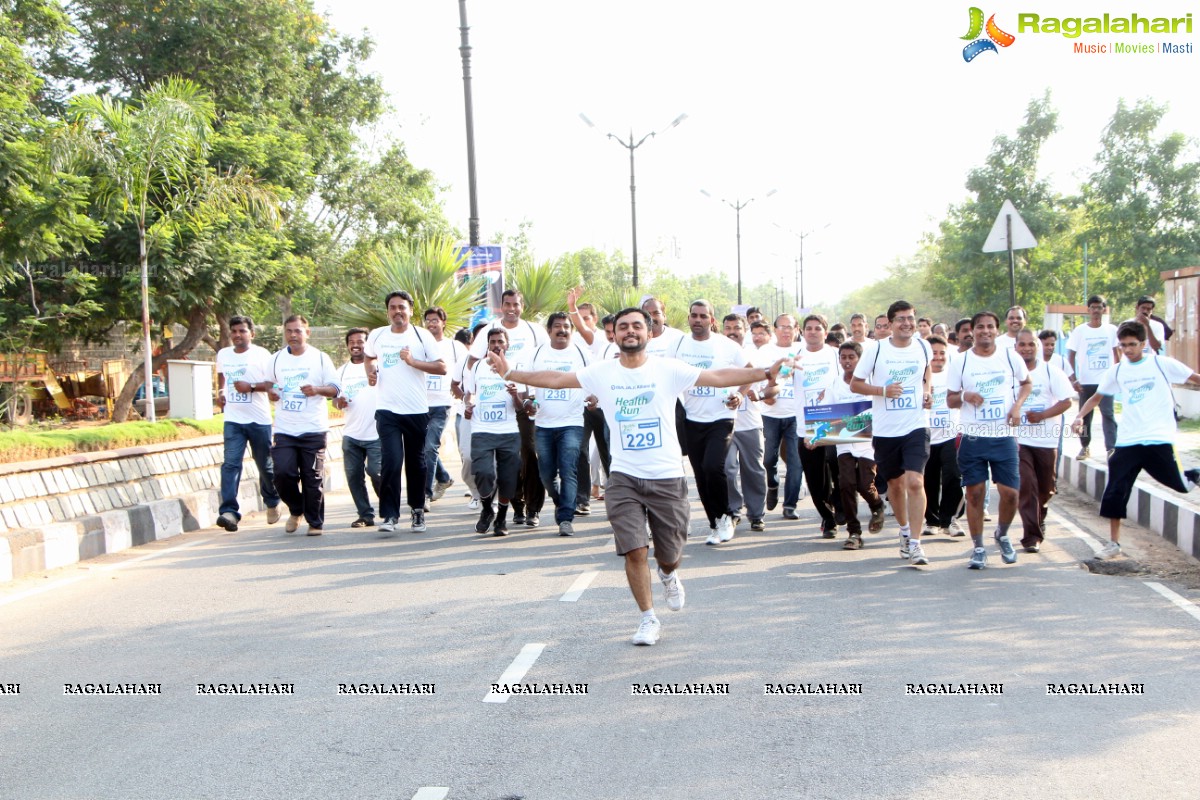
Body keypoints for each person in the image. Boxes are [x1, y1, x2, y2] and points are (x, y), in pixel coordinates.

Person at [487, 307, 786, 646]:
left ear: (648, 332)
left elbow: (717, 377)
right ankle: (648, 617)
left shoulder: (668, 369)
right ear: (614, 334)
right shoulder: (601, 372)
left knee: (669, 554)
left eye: (637, 326)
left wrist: (763, 372)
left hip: (667, 476)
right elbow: (557, 380)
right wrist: (510, 371)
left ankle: (669, 574)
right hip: (625, 477)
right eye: (624, 326)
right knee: (634, 551)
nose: (630, 331)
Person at [1072, 321, 1200, 559]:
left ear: (1143, 344)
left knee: (1181, 486)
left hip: (1159, 438)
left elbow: (1194, 378)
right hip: (1128, 441)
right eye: (1123, 345)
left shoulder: (1162, 364)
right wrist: (1079, 416)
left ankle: (1196, 474)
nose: (1128, 350)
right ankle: (1113, 544)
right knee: (1115, 490)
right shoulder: (1117, 371)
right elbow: (1096, 398)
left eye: (1132, 345)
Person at [947, 311, 1032, 569]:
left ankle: (1002, 534)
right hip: (973, 437)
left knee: (1010, 494)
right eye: (980, 327)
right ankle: (979, 547)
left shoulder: (1009, 356)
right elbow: (950, 398)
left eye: (990, 327)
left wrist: (1017, 406)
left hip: (1003, 436)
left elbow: (1026, 383)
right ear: (972, 331)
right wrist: (965, 396)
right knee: (975, 494)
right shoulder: (961, 362)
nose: (985, 331)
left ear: (997, 330)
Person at [850, 301, 933, 564]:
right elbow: (856, 384)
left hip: (916, 425)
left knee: (915, 482)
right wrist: (882, 391)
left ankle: (917, 544)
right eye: (901, 319)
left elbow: (927, 370)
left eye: (910, 318)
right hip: (886, 430)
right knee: (896, 486)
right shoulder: (876, 350)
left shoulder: (923, 346)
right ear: (891, 323)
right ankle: (905, 531)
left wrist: (927, 389)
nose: (907, 323)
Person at [365, 291, 446, 534]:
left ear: (410, 310)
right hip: (387, 409)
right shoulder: (377, 335)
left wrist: (413, 362)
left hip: (416, 410)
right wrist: (371, 372)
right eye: (392, 307)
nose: (397, 311)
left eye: (402, 307)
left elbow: (441, 367)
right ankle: (389, 515)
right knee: (390, 462)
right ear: (387, 311)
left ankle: (418, 510)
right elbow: (369, 357)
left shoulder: (422, 336)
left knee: (416, 463)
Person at [468, 290, 549, 528]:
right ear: (501, 306)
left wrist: (531, 395)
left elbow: (545, 358)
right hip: (493, 407)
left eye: (516, 304)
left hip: (526, 397)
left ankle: (533, 508)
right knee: (509, 463)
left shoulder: (534, 330)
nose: (511, 308)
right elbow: (473, 360)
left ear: (522, 306)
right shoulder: (488, 329)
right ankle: (514, 507)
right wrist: (471, 399)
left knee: (530, 455)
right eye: (507, 304)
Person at [674, 300, 751, 544]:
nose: (698, 320)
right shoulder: (679, 345)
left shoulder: (726, 346)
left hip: (722, 416)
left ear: (712, 320)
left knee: (713, 466)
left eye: (703, 316)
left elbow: (750, 371)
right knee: (700, 474)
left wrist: (739, 394)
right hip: (692, 417)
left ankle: (727, 517)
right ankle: (715, 523)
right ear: (689, 318)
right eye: (694, 316)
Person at [256, 315, 339, 535]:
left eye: (298, 331)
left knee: (313, 478)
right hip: (285, 429)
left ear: (307, 333)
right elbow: (268, 381)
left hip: (313, 428)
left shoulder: (320, 358)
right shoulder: (276, 359)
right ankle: (296, 509)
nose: (293, 335)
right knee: (282, 474)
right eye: (289, 331)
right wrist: (271, 391)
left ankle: (315, 522)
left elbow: (335, 389)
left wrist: (317, 390)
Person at [527, 312, 592, 536]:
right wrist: (528, 400)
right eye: (557, 326)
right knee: (546, 474)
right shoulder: (537, 353)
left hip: (572, 423)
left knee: (568, 470)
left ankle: (566, 517)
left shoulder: (582, 354)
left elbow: (594, 379)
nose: (562, 330)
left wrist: (594, 397)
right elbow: (527, 381)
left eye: (566, 326)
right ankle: (559, 501)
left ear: (571, 330)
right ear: (549, 330)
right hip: (543, 424)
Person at [215, 316, 281, 532]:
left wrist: (250, 387)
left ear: (251, 334)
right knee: (231, 464)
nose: (237, 335)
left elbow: (273, 385)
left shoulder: (262, 355)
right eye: (233, 331)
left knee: (265, 465)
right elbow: (222, 377)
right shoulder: (223, 354)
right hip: (233, 420)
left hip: (259, 420)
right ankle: (229, 512)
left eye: (242, 331)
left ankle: (272, 501)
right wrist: (221, 393)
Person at [1015, 328, 1073, 553]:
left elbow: (1066, 401)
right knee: (1027, 484)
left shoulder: (1051, 372)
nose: (1027, 348)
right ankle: (1031, 537)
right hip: (1020, 440)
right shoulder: (1010, 374)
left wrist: (1042, 415)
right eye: (1023, 344)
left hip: (1047, 441)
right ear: (1016, 347)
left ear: (1037, 347)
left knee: (1045, 489)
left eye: (1031, 344)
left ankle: (1040, 516)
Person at [463, 328, 526, 536]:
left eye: (500, 341)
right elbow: (469, 395)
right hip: (482, 430)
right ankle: (488, 508)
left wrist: (516, 395)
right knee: (483, 472)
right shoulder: (477, 366)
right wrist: (469, 405)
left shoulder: (515, 368)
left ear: (507, 345)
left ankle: (501, 518)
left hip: (508, 431)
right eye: (492, 342)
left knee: (508, 478)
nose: (496, 345)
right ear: (488, 345)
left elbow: (520, 407)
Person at [831, 341, 884, 549]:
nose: (847, 361)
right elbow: (826, 413)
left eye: (851, 357)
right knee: (846, 484)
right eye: (843, 357)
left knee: (864, 484)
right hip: (844, 442)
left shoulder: (870, 382)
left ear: (860, 360)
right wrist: (813, 437)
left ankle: (877, 504)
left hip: (868, 443)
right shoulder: (835, 384)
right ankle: (854, 532)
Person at [796, 313, 843, 535]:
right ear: (803, 332)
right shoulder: (794, 356)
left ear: (825, 332)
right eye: (809, 328)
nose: (813, 332)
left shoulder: (836, 355)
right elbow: (777, 382)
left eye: (817, 328)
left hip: (835, 420)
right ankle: (828, 518)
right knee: (815, 479)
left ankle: (841, 507)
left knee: (838, 468)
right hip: (806, 425)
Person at [722, 313, 770, 533]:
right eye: (728, 327)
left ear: (745, 331)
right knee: (728, 470)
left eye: (737, 328)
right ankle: (733, 511)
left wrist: (758, 394)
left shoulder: (754, 356)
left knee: (754, 470)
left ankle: (756, 514)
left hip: (750, 422)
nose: (732, 331)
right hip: (723, 423)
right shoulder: (718, 354)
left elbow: (772, 385)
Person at [334, 328, 381, 528]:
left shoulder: (378, 367)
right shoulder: (341, 371)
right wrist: (339, 402)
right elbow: (335, 400)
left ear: (368, 344)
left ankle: (388, 505)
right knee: (353, 476)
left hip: (377, 432)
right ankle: (365, 514)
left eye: (360, 341)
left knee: (376, 472)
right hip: (351, 434)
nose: (355, 345)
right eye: (351, 342)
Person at [759, 314, 802, 518]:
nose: (786, 330)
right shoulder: (766, 351)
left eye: (790, 327)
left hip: (796, 416)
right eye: (782, 327)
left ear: (797, 329)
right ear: (774, 330)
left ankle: (790, 505)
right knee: (768, 459)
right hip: (770, 414)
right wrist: (764, 395)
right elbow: (758, 376)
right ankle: (773, 483)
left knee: (796, 462)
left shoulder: (803, 351)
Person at [1067, 295, 1119, 461]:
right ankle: (1084, 447)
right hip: (1086, 381)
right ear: (1088, 310)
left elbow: (1116, 353)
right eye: (1093, 307)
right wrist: (1074, 379)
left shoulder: (1111, 330)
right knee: (1085, 416)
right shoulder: (1080, 331)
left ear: (1104, 309)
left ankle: (1111, 448)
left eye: (1099, 307)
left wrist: (1117, 375)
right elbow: (1071, 355)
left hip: (1106, 381)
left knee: (1108, 414)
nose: (1096, 310)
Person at [422, 307, 465, 507]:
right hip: (418, 405)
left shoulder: (454, 347)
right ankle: (444, 477)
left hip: (442, 404)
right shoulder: (418, 345)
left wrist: (461, 389)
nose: (431, 324)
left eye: (435, 320)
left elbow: (468, 368)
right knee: (424, 449)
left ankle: (425, 495)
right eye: (428, 320)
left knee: (430, 447)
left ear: (443, 323)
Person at [923, 335, 963, 537]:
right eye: (933, 354)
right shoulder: (921, 377)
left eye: (941, 353)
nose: (938, 358)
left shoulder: (954, 375)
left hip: (950, 435)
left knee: (953, 477)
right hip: (927, 436)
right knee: (928, 480)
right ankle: (932, 520)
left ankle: (950, 520)